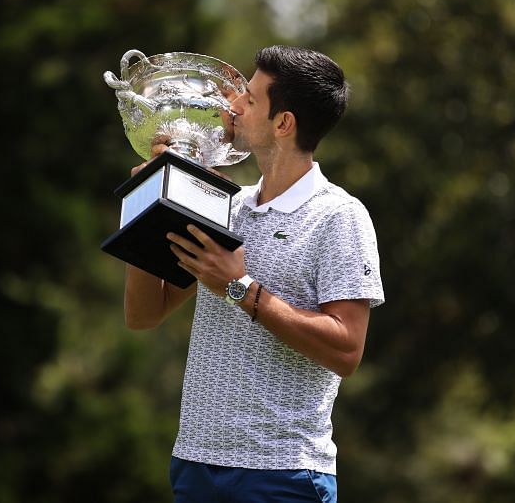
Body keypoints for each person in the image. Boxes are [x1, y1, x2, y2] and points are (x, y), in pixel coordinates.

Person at [123, 45, 385, 503]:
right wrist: (153, 196)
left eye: (249, 96)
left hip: (282, 474)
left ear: (283, 124)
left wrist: (240, 288)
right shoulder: (226, 205)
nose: (232, 105)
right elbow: (143, 314)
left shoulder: (340, 216)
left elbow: (346, 350)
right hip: (195, 464)